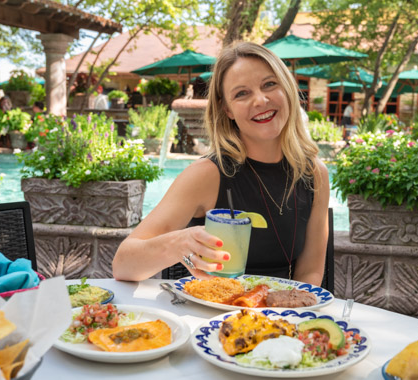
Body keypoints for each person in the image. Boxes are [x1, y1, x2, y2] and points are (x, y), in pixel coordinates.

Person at [112, 42, 330, 286]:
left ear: (288, 89)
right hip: (205, 317)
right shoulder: (207, 174)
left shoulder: (314, 174)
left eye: (270, 84)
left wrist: (295, 313)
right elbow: (123, 264)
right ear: (227, 110)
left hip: (277, 317)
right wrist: (177, 244)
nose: (260, 100)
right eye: (241, 94)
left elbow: (310, 271)